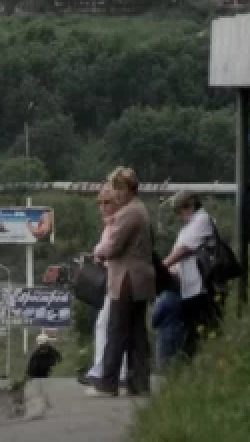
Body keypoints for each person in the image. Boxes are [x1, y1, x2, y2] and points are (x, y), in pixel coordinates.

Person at [90, 167, 155, 397]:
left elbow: (112, 246)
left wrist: (97, 249)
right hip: (140, 278)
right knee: (136, 332)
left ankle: (108, 383)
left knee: (116, 330)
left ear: (127, 189)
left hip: (127, 278)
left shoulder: (129, 213)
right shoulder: (140, 209)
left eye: (118, 188)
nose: (115, 194)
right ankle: (139, 381)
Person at [79, 188, 128, 389]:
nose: (103, 207)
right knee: (113, 324)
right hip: (114, 277)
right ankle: (113, 369)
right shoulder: (111, 224)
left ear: (117, 203)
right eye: (100, 203)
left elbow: (107, 248)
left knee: (107, 324)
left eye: (107, 203)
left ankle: (103, 370)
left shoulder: (116, 224)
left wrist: (98, 252)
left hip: (119, 278)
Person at [162, 191, 219, 358]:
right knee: (191, 327)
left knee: (201, 327)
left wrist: (163, 266)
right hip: (190, 286)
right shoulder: (190, 225)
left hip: (201, 286)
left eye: (180, 211)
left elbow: (184, 250)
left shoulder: (202, 220)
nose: (179, 217)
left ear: (190, 206)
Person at [151, 286, 184, 372]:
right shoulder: (180, 297)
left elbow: (154, 319)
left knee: (163, 365)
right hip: (179, 332)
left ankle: (166, 384)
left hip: (164, 334)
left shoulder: (163, 297)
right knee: (177, 362)